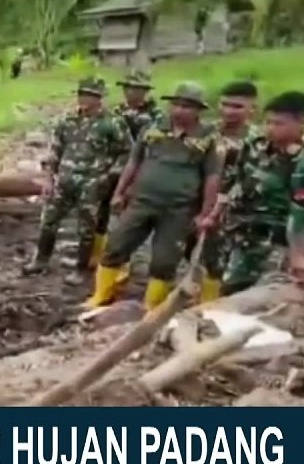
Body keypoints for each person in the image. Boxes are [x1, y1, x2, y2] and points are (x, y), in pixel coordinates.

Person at [84, 82, 222, 311]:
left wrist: (205, 212)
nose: (179, 110)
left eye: (187, 106)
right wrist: (119, 192)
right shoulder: (153, 127)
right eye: (175, 104)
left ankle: (152, 306)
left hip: (179, 208)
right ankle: (102, 295)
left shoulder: (208, 137)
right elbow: (134, 161)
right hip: (142, 200)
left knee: (164, 261)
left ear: (199, 110)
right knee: (116, 246)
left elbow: (212, 177)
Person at [211, 92, 304, 295]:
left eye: (279, 123)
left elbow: (299, 214)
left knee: (246, 290)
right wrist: (215, 212)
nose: (271, 128)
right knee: (220, 280)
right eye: (268, 122)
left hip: (267, 242)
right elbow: (231, 181)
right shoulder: (254, 146)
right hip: (235, 229)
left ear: (301, 123)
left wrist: (297, 254)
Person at [22, 78, 130, 284]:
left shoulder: (112, 123)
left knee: (86, 227)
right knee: (49, 221)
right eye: (81, 94)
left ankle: (80, 269)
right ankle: (41, 260)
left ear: (99, 98)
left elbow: (126, 153)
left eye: (89, 95)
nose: (84, 99)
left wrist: (108, 177)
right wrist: (48, 179)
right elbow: (55, 150)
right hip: (65, 179)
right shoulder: (67, 121)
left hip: (92, 182)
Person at [191, 80, 259, 301]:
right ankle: (208, 302)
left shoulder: (258, 140)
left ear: (252, 109)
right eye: (225, 105)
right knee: (208, 259)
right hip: (202, 204)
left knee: (238, 265)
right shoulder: (205, 133)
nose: (229, 111)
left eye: (238, 106)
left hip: (242, 212)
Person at [90, 72, 163, 269]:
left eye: (138, 89)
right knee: (102, 209)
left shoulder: (157, 117)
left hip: (138, 170)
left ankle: (123, 261)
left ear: (145, 92)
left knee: (129, 216)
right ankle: (97, 253)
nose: (132, 92)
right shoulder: (116, 112)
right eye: (128, 88)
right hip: (112, 168)